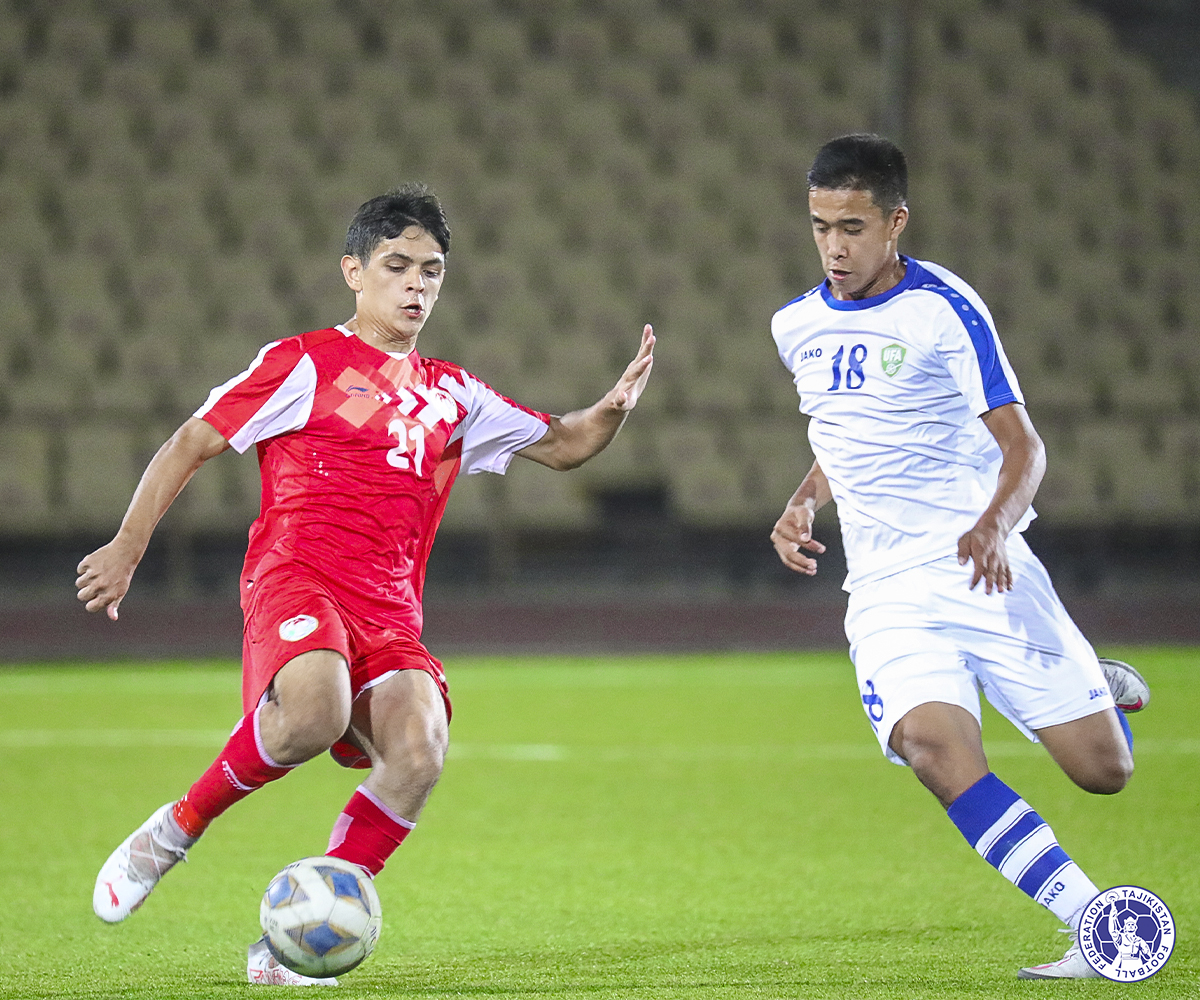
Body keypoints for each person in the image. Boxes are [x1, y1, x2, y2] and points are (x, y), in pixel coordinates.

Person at [77, 184, 655, 986]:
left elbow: (565, 445)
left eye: (432, 271)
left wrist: (614, 408)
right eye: (397, 266)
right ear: (354, 271)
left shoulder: (454, 393)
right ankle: (174, 829)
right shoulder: (303, 362)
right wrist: (128, 546)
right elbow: (190, 442)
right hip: (297, 579)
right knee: (314, 713)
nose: (416, 285)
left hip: (388, 608)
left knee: (420, 751)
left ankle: (309, 932)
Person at [769, 134, 1151, 980]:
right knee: (933, 750)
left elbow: (1026, 448)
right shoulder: (795, 326)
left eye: (855, 226)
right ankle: (1092, 919)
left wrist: (992, 523)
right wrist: (802, 500)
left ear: (896, 222)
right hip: (884, 591)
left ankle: (1097, 684)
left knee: (1104, 772)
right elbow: (847, 434)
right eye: (821, 226)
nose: (835, 246)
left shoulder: (945, 308)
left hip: (983, 568)